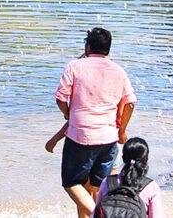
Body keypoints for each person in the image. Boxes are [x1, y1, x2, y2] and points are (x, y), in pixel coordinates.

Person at [53, 27, 136, 218]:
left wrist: (69, 115)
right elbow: (130, 102)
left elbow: (60, 97)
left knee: (71, 183)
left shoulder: (75, 66)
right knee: (99, 186)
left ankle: (99, 215)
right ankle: (100, 212)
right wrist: (123, 130)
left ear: (88, 46)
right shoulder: (118, 70)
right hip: (108, 137)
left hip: (80, 136)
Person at [93, 137, 166, 218]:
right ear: (146, 159)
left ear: (123, 158)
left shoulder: (107, 182)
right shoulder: (151, 187)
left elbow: (95, 214)